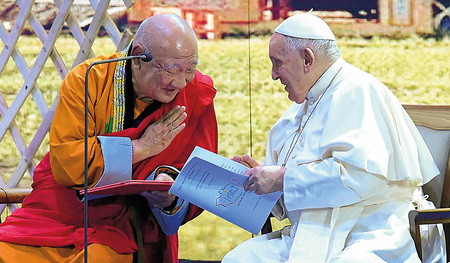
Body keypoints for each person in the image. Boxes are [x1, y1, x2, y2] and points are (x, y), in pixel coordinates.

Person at [222, 13, 445, 263]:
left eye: (278, 63)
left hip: (370, 234)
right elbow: (295, 193)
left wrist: (282, 179)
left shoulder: (358, 91)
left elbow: (360, 178)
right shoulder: (298, 110)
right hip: (309, 236)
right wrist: (261, 182)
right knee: (239, 259)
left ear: (307, 58)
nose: (274, 75)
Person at [0, 13, 218, 263]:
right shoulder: (88, 80)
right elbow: (67, 164)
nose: (180, 82)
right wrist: (139, 148)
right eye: (171, 69)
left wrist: (170, 196)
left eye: (190, 69)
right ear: (138, 57)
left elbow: (201, 175)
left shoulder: (196, 94)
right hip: (57, 213)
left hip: (124, 224)